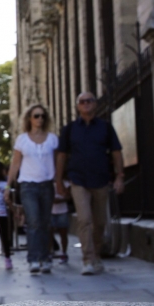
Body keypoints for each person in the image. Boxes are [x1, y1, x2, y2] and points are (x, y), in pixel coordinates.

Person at [55, 92, 124, 275]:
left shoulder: (105, 127)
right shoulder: (69, 129)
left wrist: (120, 176)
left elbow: (116, 152)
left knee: (100, 222)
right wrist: (59, 180)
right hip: (78, 180)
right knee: (84, 220)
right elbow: (61, 156)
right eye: (82, 101)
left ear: (95, 104)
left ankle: (96, 255)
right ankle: (87, 259)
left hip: (101, 179)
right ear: (78, 106)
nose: (86, 104)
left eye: (89, 101)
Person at [4, 104, 58, 274]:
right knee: (33, 222)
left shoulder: (52, 139)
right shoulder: (22, 139)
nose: (39, 119)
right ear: (29, 118)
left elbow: (58, 163)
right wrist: (8, 186)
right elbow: (15, 164)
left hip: (47, 184)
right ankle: (34, 259)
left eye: (42, 116)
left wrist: (60, 183)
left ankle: (46, 258)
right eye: (36, 116)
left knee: (45, 222)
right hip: (28, 185)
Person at [51, 181, 71, 263]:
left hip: (62, 211)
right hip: (50, 211)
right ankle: (49, 252)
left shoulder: (66, 183)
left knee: (63, 234)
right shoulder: (48, 183)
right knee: (49, 233)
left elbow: (69, 196)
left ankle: (64, 253)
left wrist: (60, 199)